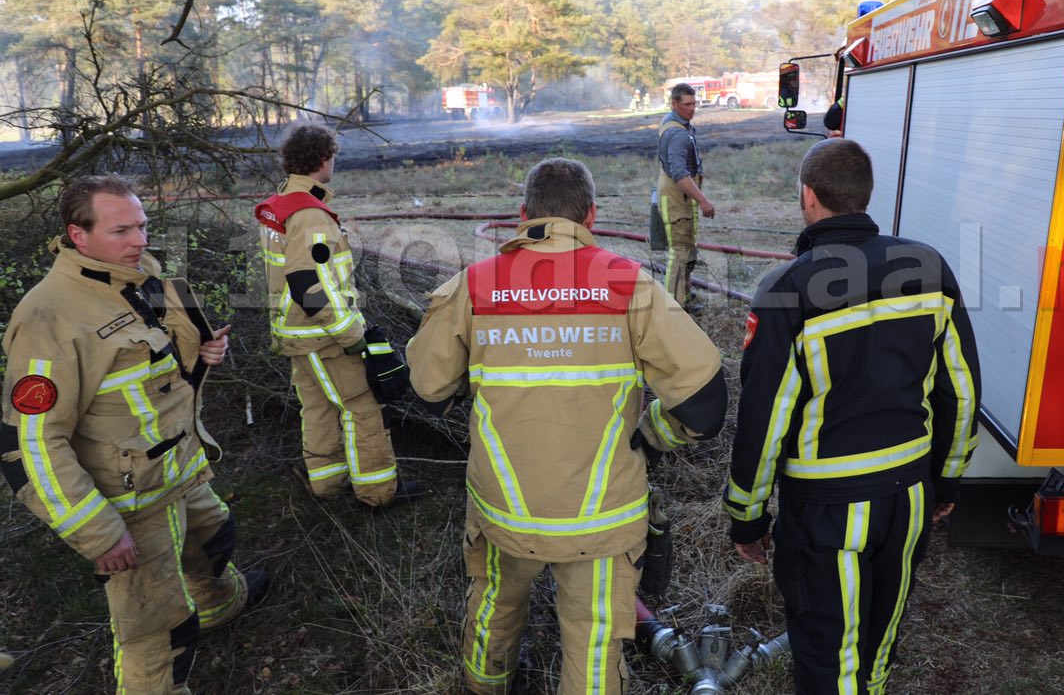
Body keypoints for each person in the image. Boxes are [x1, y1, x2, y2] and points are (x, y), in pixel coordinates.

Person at [407, 157, 727, 694]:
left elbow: (427, 386)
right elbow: (705, 406)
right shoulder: (632, 287)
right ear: (592, 216)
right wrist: (651, 436)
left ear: (523, 214)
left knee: (496, 607)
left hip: (504, 510)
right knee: (595, 641)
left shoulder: (474, 286)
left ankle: (486, 686)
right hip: (601, 519)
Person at [722, 139, 980, 694]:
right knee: (878, 643)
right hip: (909, 495)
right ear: (865, 196)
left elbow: (765, 416)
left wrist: (747, 513)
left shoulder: (787, 288)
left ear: (808, 197)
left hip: (826, 508)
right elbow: (959, 387)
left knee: (829, 656)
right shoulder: (929, 265)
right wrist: (948, 477)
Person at [1, 174, 268, 693]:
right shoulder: (49, 316)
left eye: (142, 226)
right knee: (158, 632)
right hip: (132, 496)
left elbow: (153, 363)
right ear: (79, 235)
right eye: (122, 229)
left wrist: (203, 352)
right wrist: (98, 531)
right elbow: (29, 444)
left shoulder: (136, 275)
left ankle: (220, 606)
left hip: (181, 467)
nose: (140, 240)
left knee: (215, 540)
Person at [254, 125, 419, 508]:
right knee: (361, 407)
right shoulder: (310, 214)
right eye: (334, 157)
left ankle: (327, 486)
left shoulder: (282, 202)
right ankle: (378, 493)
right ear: (323, 159)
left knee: (318, 409)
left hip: (296, 334)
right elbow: (306, 283)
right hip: (323, 336)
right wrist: (352, 335)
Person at [654, 82, 715, 313]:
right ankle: (672, 307)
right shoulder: (677, 134)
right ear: (674, 104)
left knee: (688, 249)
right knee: (679, 251)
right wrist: (703, 201)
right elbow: (679, 173)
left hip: (681, 198)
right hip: (677, 199)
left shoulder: (678, 123)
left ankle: (685, 295)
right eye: (687, 104)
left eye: (694, 103)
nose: (692, 109)